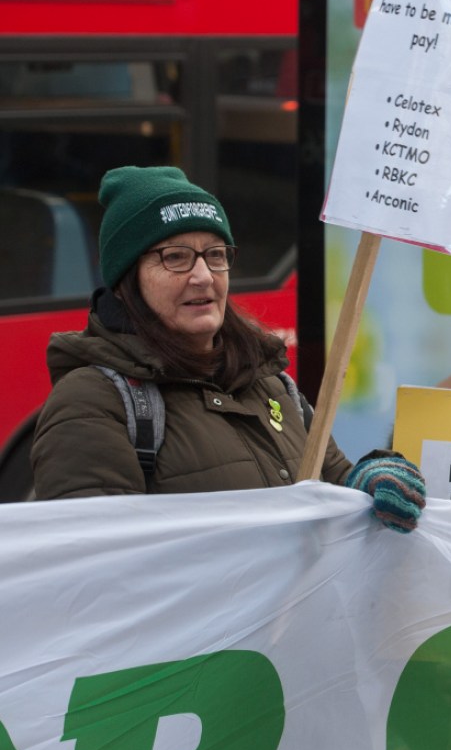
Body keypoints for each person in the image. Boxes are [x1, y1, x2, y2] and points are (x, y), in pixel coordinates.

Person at [31, 165, 426, 531]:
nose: (203, 276)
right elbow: (93, 567)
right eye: (175, 258)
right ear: (127, 279)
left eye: (215, 256)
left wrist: (366, 481)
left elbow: (329, 479)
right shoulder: (91, 401)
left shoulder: (270, 383)